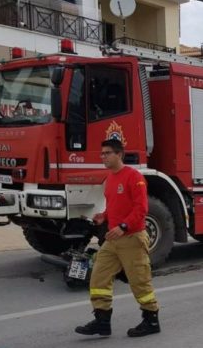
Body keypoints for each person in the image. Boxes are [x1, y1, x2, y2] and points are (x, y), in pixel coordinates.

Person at [76, 139, 160, 338]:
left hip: (132, 238)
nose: (103, 157)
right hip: (113, 239)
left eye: (107, 153)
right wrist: (103, 216)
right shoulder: (110, 179)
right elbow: (115, 205)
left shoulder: (134, 177)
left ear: (119, 155)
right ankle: (102, 321)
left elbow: (141, 209)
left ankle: (151, 320)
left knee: (140, 282)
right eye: (102, 153)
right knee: (98, 276)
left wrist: (123, 226)